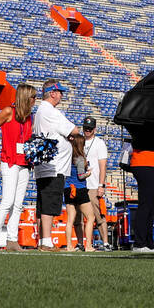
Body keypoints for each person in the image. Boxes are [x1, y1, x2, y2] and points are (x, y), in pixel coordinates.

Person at [31, 82, 83, 251]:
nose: (61, 95)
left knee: (42, 203)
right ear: (52, 93)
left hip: (44, 163)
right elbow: (74, 130)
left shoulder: (40, 111)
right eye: (59, 92)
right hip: (54, 165)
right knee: (49, 204)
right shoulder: (51, 111)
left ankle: (42, 239)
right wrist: (69, 137)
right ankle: (46, 240)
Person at [0, 83, 35, 251]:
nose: (35, 100)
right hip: (10, 161)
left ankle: (12, 239)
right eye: (33, 97)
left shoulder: (30, 117)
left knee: (18, 203)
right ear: (25, 97)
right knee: (7, 201)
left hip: (25, 163)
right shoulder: (8, 111)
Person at [80, 117, 109, 251]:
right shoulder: (80, 142)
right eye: (86, 127)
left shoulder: (99, 143)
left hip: (93, 185)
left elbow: (103, 166)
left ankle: (106, 243)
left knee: (99, 216)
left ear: (95, 130)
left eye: (90, 128)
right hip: (81, 184)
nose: (87, 130)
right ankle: (82, 243)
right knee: (79, 217)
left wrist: (101, 185)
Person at [129, 147, 154, 252]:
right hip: (145, 163)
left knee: (150, 206)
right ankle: (140, 243)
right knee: (145, 206)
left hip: (149, 164)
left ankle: (148, 243)